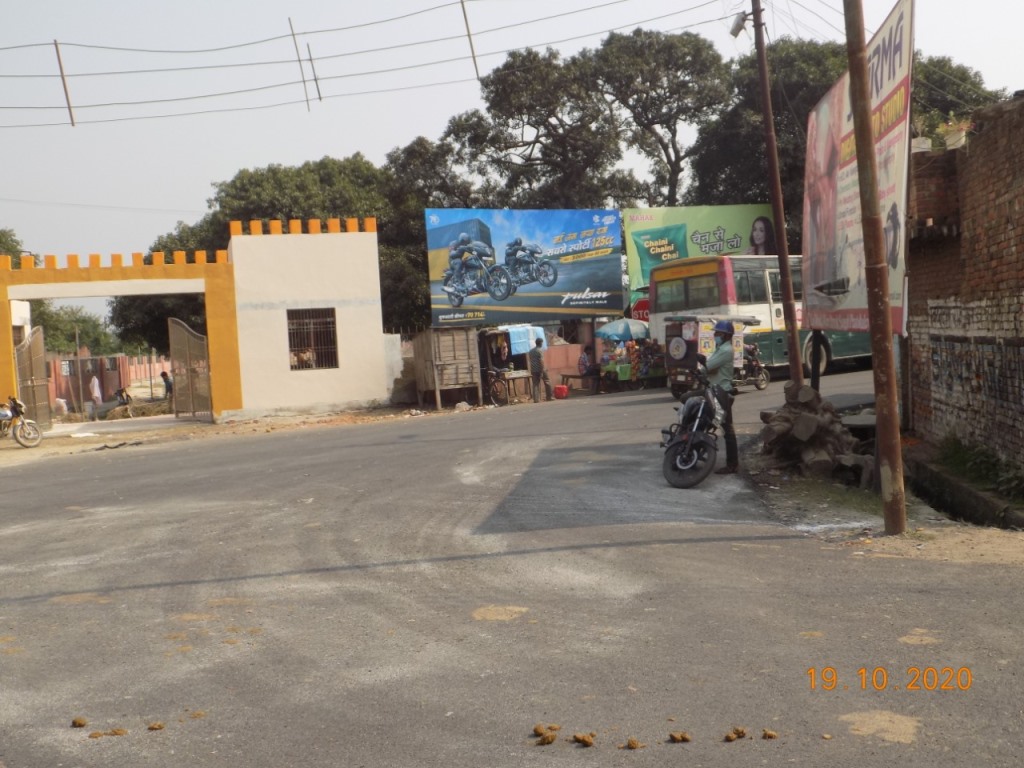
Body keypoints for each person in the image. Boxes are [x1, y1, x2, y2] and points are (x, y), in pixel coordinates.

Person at [704, 319, 739, 475]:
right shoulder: (720, 348)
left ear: (725, 335)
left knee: (726, 428)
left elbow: (708, 367)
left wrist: (702, 367)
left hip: (722, 393)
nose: (714, 335)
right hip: (715, 390)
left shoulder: (725, 350)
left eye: (717, 333)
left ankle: (732, 465)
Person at [528, 337, 553, 403]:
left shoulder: (531, 351)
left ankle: (536, 399)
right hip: (540, 369)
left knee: (535, 384)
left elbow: (531, 360)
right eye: (542, 342)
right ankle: (549, 397)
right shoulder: (539, 350)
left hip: (533, 369)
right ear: (540, 343)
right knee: (547, 381)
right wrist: (542, 371)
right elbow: (541, 361)